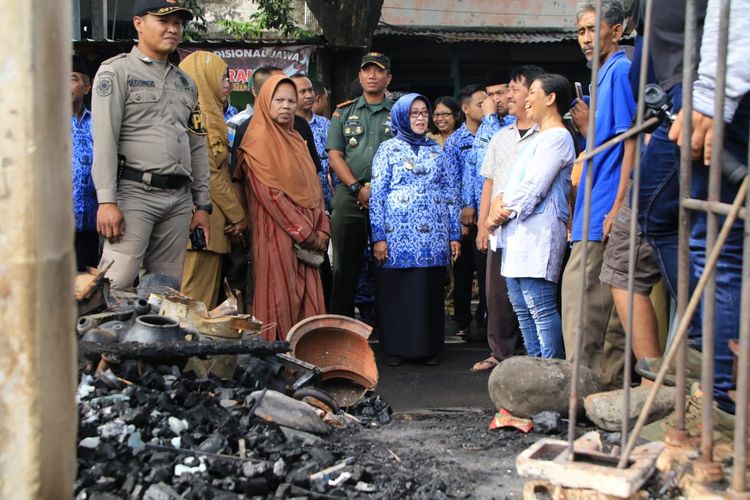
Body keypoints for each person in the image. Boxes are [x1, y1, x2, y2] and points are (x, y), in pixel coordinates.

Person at [92, 0, 210, 290]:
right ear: (138, 23)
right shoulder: (116, 72)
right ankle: (81, 336)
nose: (173, 29)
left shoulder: (186, 82)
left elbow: (197, 145)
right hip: (135, 194)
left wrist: (203, 205)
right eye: (164, 21)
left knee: (164, 292)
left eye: (178, 23)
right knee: (112, 284)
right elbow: (104, 138)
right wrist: (107, 201)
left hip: (179, 199)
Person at [667, 0, 749, 417]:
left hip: (731, 96)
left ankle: (723, 399)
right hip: (727, 90)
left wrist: (713, 93)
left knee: (719, 248)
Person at [561, 0, 633, 386]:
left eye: (593, 29)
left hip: (607, 203)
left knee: (586, 306)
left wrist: (619, 206)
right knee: (596, 306)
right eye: (581, 31)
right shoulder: (600, 76)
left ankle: (583, 391)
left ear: (617, 31)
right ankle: (599, 392)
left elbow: (631, 143)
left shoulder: (619, 71)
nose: (586, 39)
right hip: (593, 204)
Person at [370, 93, 461, 366]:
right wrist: (379, 236)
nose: (421, 118)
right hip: (398, 234)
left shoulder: (437, 150)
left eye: (424, 112)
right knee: (399, 291)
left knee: (429, 290)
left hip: (433, 235)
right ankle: (397, 349)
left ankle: (430, 348)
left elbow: (450, 193)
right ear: (401, 117)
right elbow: (377, 194)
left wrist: (454, 233)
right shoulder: (387, 149)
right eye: (414, 114)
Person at [236, 75, 329, 341]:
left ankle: (308, 357)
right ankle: (277, 364)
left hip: (310, 233)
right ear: (265, 101)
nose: (286, 106)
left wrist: (322, 227)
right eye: (279, 100)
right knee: (279, 297)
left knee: (309, 299)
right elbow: (269, 196)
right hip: (275, 233)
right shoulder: (256, 141)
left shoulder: (298, 140)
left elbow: (315, 185)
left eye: (291, 100)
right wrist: (304, 233)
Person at [488, 74, 575, 359]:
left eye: (533, 92)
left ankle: (549, 369)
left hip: (539, 230)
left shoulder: (558, 138)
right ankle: (533, 367)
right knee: (522, 307)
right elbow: (514, 182)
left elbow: (534, 186)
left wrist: (499, 212)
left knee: (539, 306)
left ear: (550, 99)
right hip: (517, 231)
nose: (526, 99)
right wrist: (500, 201)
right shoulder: (540, 138)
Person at [471, 64, 546, 371]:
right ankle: (500, 353)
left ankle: (535, 353)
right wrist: (481, 224)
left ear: (534, 94)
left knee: (534, 293)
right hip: (498, 227)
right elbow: (489, 181)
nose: (507, 97)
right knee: (497, 294)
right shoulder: (501, 137)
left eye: (514, 90)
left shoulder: (548, 135)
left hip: (533, 227)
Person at [326, 52, 394, 317]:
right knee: (343, 266)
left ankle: (391, 328)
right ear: (360, 75)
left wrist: (375, 192)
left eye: (378, 71)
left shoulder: (399, 113)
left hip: (390, 197)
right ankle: (339, 327)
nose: (372, 75)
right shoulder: (343, 112)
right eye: (367, 70)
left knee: (389, 264)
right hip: (351, 193)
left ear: (388, 77)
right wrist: (357, 187)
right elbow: (335, 155)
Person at [178, 51, 247, 308]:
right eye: (221, 77)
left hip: (211, 226)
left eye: (228, 77)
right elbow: (209, 173)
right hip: (199, 227)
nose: (227, 84)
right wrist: (238, 215)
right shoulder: (199, 119)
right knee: (193, 304)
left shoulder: (212, 114)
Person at [442, 84, 486, 340]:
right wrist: (458, 216)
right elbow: (450, 181)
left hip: (486, 214)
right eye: (480, 103)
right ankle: (462, 320)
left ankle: (484, 320)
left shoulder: (494, 134)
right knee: (461, 271)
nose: (486, 107)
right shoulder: (455, 142)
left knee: (484, 272)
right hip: (462, 216)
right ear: (466, 109)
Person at [293, 72, 333, 307]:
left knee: (320, 263)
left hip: (321, 208)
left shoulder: (326, 126)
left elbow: (334, 165)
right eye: (302, 91)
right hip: (293, 209)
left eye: (311, 91)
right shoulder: (284, 126)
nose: (309, 95)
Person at [71, 56, 99, 272]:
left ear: (87, 86)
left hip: (91, 221)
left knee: (86, 282)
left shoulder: (98, 122)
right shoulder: (43, 121)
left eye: (72, 79)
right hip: (55, 221)